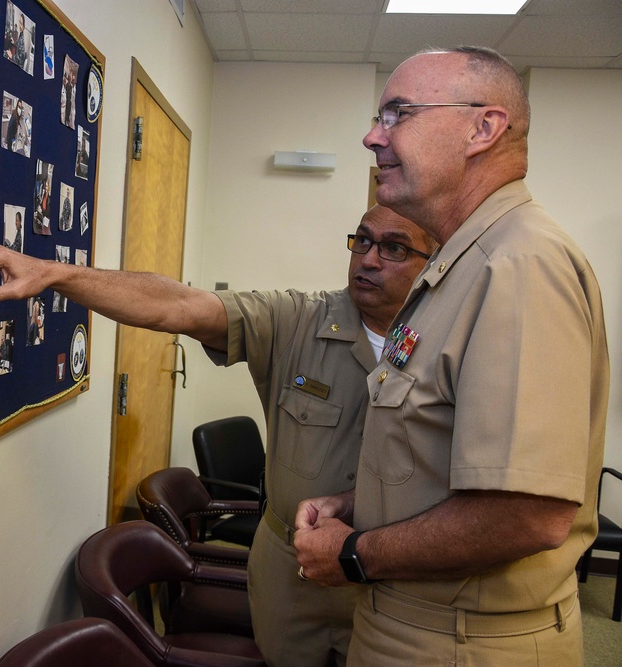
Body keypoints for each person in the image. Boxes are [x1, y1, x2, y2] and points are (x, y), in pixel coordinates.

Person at [0, 203, 436, 667]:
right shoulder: (297, 319)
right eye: (362, 241)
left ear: (435, 261)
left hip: (398, 589)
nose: (368, 259)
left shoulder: (449, 344)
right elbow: (180, 304)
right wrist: (56, 274)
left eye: (393, 248)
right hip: (292, 579)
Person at [291, 47, 608, 666]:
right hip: (416, 623)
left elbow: (527, 514)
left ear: (482, 129)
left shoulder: (518, 265)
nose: (371, 136)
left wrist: (354, 551)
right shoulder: (460, 264)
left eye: (397, 113)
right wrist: (363, 505)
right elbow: (445, 454)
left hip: (461, 641)